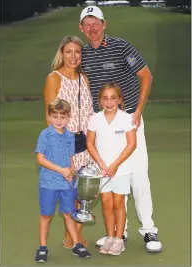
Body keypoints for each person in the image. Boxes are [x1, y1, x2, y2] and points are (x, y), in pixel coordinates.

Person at [79, 6, 162, 252]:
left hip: (129, 121)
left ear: (105, 25)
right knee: (111, 176)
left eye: (97, 24)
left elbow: (146, 76)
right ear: (81, 29)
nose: (92, 29)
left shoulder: (121, 46)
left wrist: (137, 110)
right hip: (102, 123)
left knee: (137, 175)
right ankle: (118, 234)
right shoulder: (83, 55)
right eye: (87, 25)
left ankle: (148, 230)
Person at [43, 36, 93, 249]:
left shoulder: (84, 78)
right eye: (69, 52)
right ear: (61, 53)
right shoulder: (54, 78)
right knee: (69, 194)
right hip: (65, 146)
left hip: (86, 145)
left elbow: (89, 111)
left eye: (78, 52)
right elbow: (50, 116)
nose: (73, 56)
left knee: (85, 195)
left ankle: (71, 236)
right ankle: (74, 238)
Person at [35, 99, 91, 262]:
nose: (59, 120)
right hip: (48, 183)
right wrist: (61, 170)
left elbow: (70, 157)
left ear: (68, 118)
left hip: (66, 183)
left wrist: (72, 172)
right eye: (55, 117)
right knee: (46, 215)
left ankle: (76, 244)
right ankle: (43, 247)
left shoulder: (69, 136)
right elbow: (40, 159)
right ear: (49, 117)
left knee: (69, 214)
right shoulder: (45, 135)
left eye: (62, 117)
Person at [87, 82, 136, 256]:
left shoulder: (126, 118)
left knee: (118, 203)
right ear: (100, 101)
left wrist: (115, 165)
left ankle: (119, 239)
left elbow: (131, 144)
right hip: (102, 170)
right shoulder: (95, 118)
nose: (109, 102)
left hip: (121, 169)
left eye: (113, 98)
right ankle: (109, 237)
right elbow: (90, 143)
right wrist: (101, 163)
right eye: (105, 98)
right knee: (106, 203)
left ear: (120, 100)